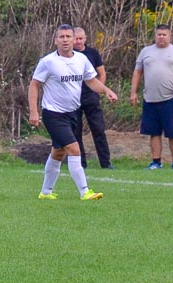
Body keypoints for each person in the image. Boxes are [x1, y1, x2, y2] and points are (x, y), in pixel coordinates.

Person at [28, 24, 118, 201]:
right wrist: (33, 112)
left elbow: (91, 81)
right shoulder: (48, 62)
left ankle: (45, 192)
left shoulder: (82, 60)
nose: (65, 40)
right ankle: (85, 192)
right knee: (74, 149)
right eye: (61, 37)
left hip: (73, 113)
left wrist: (106, 90)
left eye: (68, 36)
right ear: (55, 41)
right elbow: (34, 85)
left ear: (73, 39)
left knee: (58, 152)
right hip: (53, 114)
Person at [129, 23, 173, 170]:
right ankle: (156, 162)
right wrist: (133, 92)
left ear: (169, 36)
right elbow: (138, 72)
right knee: (154, 133)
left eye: (164, 35)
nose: (161, 37)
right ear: (155, 35)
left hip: (171, 98)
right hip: (150, 99)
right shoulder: (146, 51)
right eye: (159, 34)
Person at [73, 27, 114, 169]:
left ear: (85, 39)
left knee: (98, 129)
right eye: (75, 38)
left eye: (80, 38)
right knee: (75, 131)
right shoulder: (68, 56)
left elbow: (101, 73)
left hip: (90, 96)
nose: (78, 41)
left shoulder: (92, 53)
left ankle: (105, 163)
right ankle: (81, 163)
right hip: (74, 98)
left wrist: (99, 90)